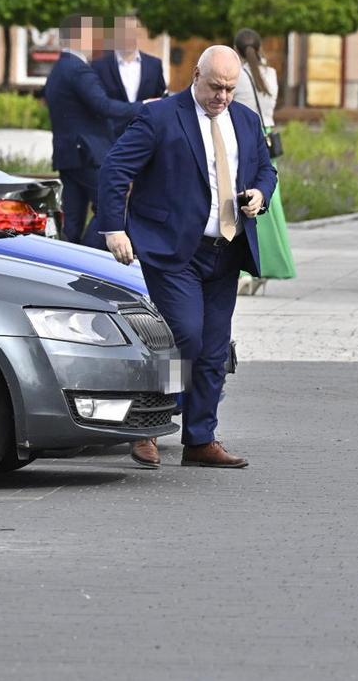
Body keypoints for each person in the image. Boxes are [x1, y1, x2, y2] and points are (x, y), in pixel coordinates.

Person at [99, 45, 277, 469]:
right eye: (216, 86)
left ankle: (200, 439)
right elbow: (115, 169)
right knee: (184, 339)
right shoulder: (161, 116)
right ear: (196, 74)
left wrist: (260, 194)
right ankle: (149, 429)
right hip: (174, 249)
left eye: (231, 89)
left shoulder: (246, 121)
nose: (223, 97)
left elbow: (266, 170)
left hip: (227, 250)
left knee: (214, 349)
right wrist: (114, 228)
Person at [44, 13, 152, 248]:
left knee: (72, 221)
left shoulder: (60, 68)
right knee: (111, 207)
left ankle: (66, 266)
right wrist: (144, 107)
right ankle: (87, 257)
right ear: (76, 38)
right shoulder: (77, 69)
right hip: (88, 154)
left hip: (69, 156)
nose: (96, 40)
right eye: (91, 35)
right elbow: (103, 106)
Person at [233, 28, 295, 293]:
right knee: (270, 203)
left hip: (245, 137)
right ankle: (272, 265)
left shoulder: (237, 76)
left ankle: (247, 269)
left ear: (236, 49)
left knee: (245, 202)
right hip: (268, 138)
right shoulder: (270, 74)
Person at [92, 13, 167, 144]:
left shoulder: (154, 65)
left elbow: (162, 99)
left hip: (147, 138)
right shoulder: (99, 66)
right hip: (110, 141)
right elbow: (98, 104)